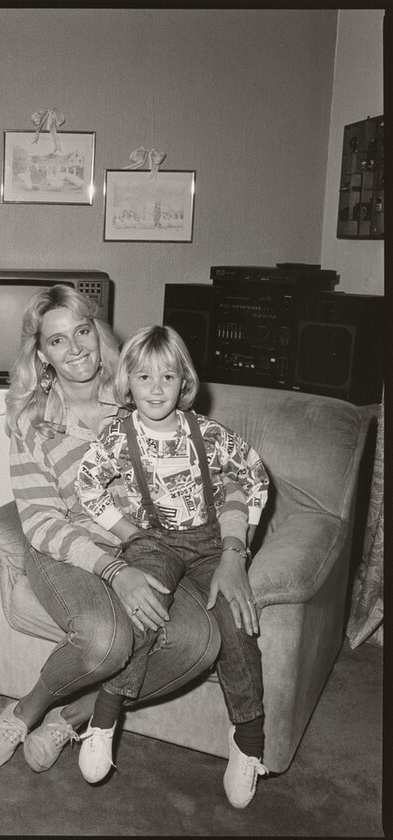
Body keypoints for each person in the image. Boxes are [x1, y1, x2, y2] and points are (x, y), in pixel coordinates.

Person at [0, 285, 220, 779]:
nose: (76, 348)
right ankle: (26, 709)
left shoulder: (137, 394)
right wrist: (114, 569)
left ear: (97, 332)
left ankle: (72, 718)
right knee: (104, 641)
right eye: (57, 341)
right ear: (40, 353)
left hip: (145, 546)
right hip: (64, 547)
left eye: (82, 331)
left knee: (199, 641)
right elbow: (42, 521)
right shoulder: (32, 421)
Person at [75, 324, 268, 806]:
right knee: (144, 605)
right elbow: (88, 486)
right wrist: (128, 534)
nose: (156, 388)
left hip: (209, 544)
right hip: (152, 541)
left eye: (167, 377)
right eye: (143, 378)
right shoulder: (118, 437)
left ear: (185, 382)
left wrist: (234, 550)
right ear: (127, 384)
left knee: (236, 620)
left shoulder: (208, 434)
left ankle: (248, 739)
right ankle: (106, 714)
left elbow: (254, 476)